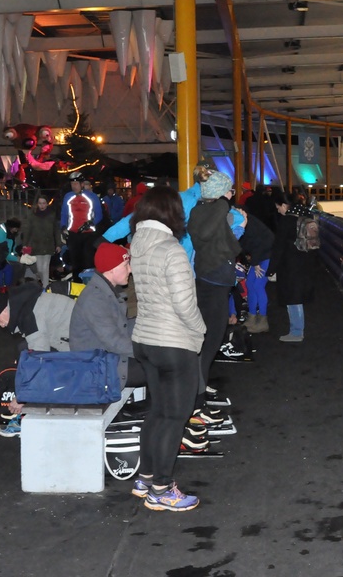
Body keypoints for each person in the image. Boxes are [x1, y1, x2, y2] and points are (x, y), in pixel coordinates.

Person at [129, 186, 207, 512]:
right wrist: (200, 330)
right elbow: (185, 304)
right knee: (175, 417)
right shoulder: (171, 250)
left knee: (157, 411)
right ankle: (161, 489)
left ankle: (145, 478)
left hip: (144, 339)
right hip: (172, 342)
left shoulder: (137, 244)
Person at [0, 281, 76, 437]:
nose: (1, 325)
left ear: (5, 310)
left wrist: (22, 397)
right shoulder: (25, 305)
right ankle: (33, 409)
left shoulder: (29, 315)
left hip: (81, 347)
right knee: (24, 352)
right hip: (72, 339)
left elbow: (39, 360)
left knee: (35, 363)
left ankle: (31, 416)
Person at [187, 171, 244, 407]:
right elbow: (213, 233)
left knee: (205, 336)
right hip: (217, 278)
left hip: (205, 275)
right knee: (211, 338)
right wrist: (223, 203)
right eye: (229, 191)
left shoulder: (197, 210)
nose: (231, 195)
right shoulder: (218, 210)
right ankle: (197, 397)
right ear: (220, 193)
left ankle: (198, 387)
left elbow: (215, 234)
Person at [68, 243, 147, 395]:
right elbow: (114, 342)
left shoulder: (106, 291)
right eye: (126, 265)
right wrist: (149, 351)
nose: (130, 270)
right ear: (112, 269)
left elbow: (122, 327)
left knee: (166, 360)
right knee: (165, 366)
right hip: (98, 368)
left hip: (107, 359)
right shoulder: (95, 299)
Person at [267, 191, 316, 343]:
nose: (278, 211)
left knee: (293, 299)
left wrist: (271, 269)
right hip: (305, 262)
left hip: (290, 265)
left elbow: (278, 247)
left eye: (278, 207)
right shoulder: (306, 215)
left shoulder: (287, 220)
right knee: (296, 297)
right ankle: (297, 331)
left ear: (284, 205)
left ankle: (296, 332)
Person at [60, 171, 103, 279]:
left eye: (76, 184)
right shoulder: (68, 196)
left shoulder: (92, 197)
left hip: (88, 234)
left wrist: (91, 223)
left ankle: (88, 283)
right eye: (72, 184)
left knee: (88, 261)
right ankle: (76, 283)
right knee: (75, 262)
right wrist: (63, 227)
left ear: (82, 184)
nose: (74, 186)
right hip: (73, 234)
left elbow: (99, 214)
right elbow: (64, 214)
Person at [238, 210, 274, 334]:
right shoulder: (244, 221)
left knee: (258, 285)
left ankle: (263, 321)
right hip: (259, 255)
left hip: (267, 254)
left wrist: (255, 262)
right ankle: (252, 317)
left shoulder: (248, 224)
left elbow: (258, 243)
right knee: (249, 284)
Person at [23, 195, 62, 287]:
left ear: (47, 204)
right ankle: (43, 283)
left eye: (44, 203)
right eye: (40, 203)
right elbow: (28, 230)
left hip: (48, 244)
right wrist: (25, 244)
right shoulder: (32, 215)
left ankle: (45, 287)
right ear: (37, 204)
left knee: (45, 267)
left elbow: (56, 230)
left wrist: (58, 244)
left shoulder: (52, 215)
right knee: (40, 269)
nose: (42, 205)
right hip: (36, 244)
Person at [0, 217, 24, 287]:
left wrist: (18, 254)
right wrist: (17, 259)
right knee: (17, 266)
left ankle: (14, 286)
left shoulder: (9, 234)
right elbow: (2, 252)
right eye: (16, 229)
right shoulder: (0, 234)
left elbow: (12, 249)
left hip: (5, 257)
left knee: (21, 265)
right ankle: (11, 287)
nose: (16, 231)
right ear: (12, 227)